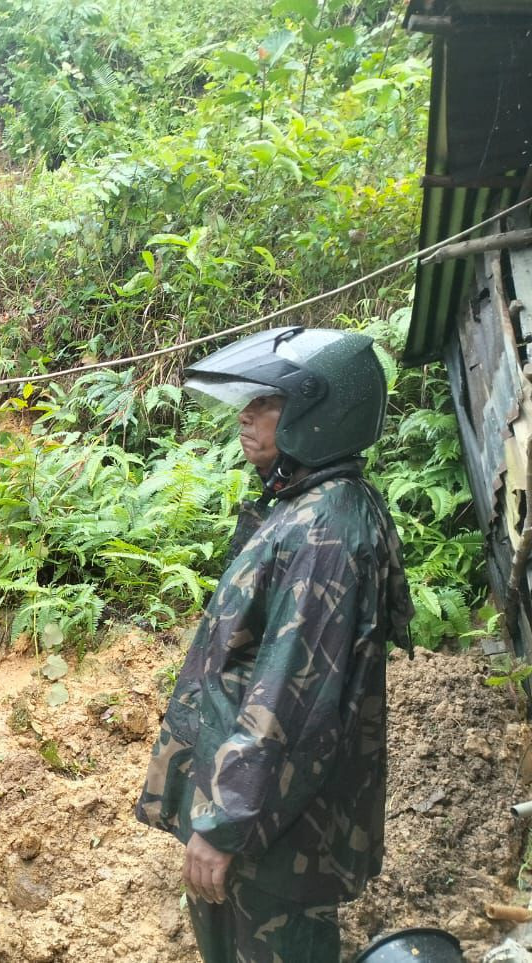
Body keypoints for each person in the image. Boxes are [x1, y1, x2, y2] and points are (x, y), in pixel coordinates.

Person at [135, 326, 415, 962]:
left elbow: (292, 699)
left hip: (275, 841)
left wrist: (225, 825)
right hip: (262, 824)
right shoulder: (308, 506)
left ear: (319, 414)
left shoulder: (324, 532)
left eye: (266, 402)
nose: (247, 415)